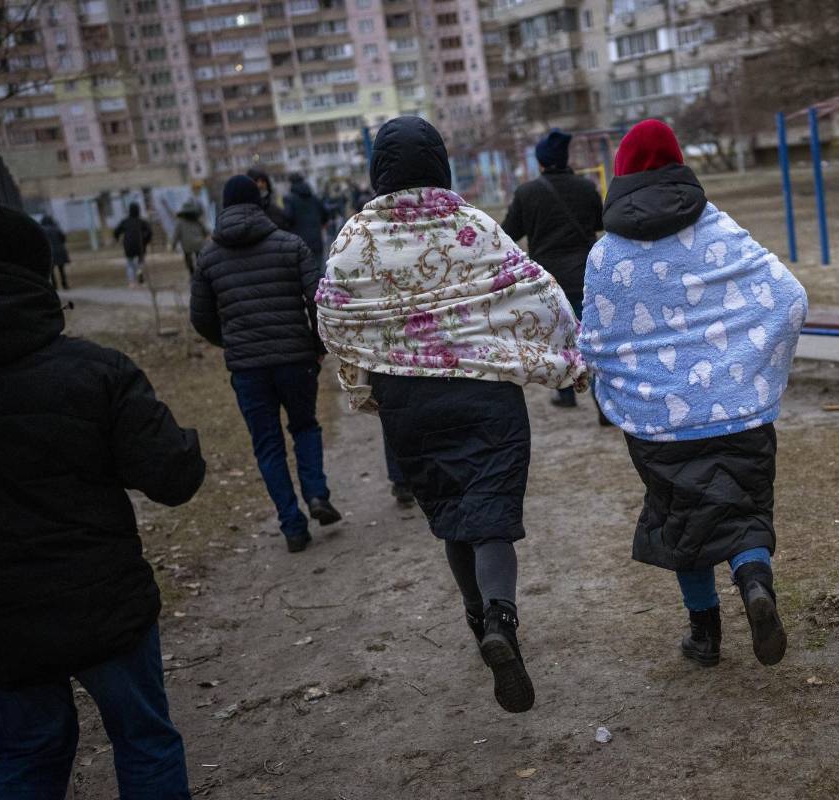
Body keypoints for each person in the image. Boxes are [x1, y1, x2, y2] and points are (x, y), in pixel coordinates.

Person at [315, 116, 584, 713]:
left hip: (410, 401)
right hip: (486, 393)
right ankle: (500, 619)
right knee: (491, 511)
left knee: (453, 512)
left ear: (378, 167)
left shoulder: (358, 233)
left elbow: (331, 312)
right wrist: (564, 355)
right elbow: (534, 288)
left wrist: (365, 377)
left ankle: (477, 622)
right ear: (441, 161)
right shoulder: (472, 223)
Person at [0, 203, 206, 800]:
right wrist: (184, 441)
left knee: (27, 757)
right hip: (101, 604)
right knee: (144, 743)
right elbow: (175, 476)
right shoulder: (96, 373)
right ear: (39, 274)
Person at [578, 120, 807, 669]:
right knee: (744, 508)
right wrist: (748, 365)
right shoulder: (720, 230)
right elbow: (788, 297)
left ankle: (704, 636)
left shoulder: (606, 255)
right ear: (681, 165)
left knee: (680, 520)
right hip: (739, 411)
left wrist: (628, 381)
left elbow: (594, 340)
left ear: (621, 175)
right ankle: (755, 586)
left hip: (659, 423)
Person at [191, 175, 341, 552]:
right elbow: (317, 300)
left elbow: (200, 317)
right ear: (259, 202)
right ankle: (317, 495)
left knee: (268, 445)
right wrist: (317, 344)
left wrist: (230, 342)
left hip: (247, 368)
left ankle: (292, 525)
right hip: (295, 359)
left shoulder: (208, 256)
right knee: (305, 426)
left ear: (224, 208)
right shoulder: (290, 245)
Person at [503, 129, 603, 410]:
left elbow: (508, 232)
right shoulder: (586, 187)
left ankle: (566, 394)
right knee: (591, 337)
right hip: (586, 273)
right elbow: (598, 222)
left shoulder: (527, 193)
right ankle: (603, 404)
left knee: (558, 338)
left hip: (548, 280)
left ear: (541, 162)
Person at [282, 172, 330, 269]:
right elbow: (325, 214)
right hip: (317, 241)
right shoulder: (314, 198)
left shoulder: (290, 199)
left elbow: (288, 218)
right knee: (318, 272)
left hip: (299, 243)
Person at [112, 202, 152, 288]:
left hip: (128, 246)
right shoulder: (142, 222)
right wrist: (146, 241)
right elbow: (149, 232)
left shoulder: (125, 222)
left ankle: (132, 283)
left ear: (129, 211)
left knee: (130, 264)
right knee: (140, 264)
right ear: (138, 210)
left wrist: (116, 238)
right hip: (140, 246)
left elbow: (116, 231)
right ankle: (141, 281)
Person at [170, 198, 209, 276]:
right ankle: (200, 273)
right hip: (199, 244)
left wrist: (173, 245)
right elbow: (206, 231)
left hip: (187, 245)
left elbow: (176, 235)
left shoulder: (180, 222)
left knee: (188, 259)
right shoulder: (198, 220)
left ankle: (192, 273)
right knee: (199, 259)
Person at [40, 213, 70, 290]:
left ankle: (55, 286)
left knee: (51, 272)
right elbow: (63, 239)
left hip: (49, 253)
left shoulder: (42, 230)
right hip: (60, 251)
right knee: (61, 270)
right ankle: (65, 284)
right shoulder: (56, 229)